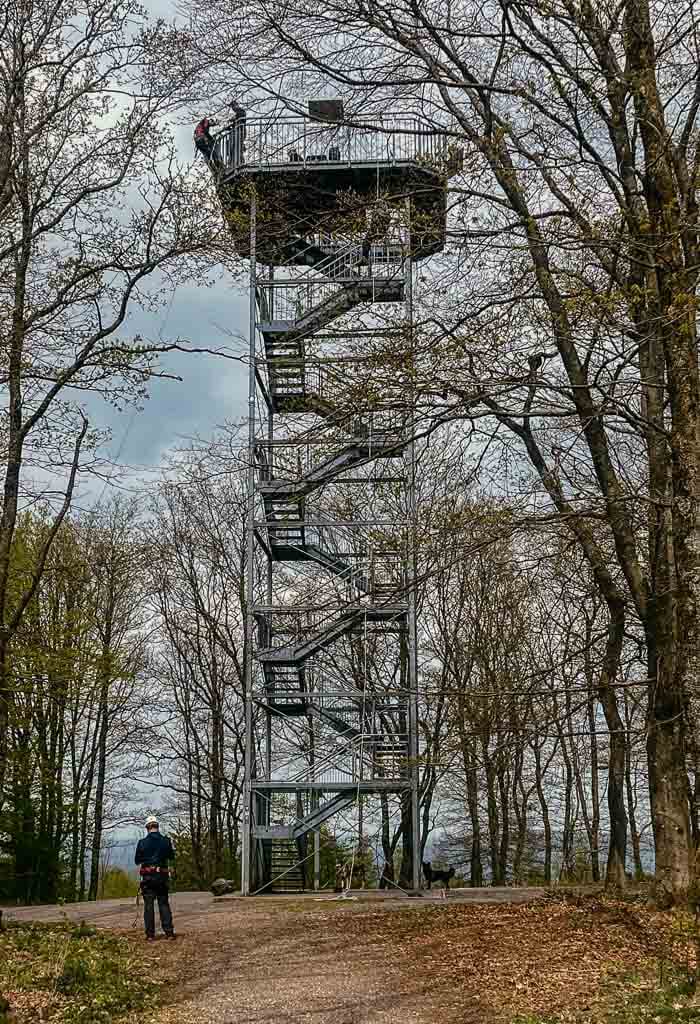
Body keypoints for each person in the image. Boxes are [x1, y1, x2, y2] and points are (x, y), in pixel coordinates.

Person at [135, 815, 176, 940]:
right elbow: (171, 856)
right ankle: (168, 933)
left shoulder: (142, 843)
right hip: (162, 876)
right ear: (157, 826)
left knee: (148, 906)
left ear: (147, 827)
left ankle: (150, 935)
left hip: (148, 878)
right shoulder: (166, 841)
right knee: (163, 903)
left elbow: (137, 860)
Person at [229, 100, 246, 165]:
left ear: (236, 105)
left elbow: (241, 117)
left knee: (239, 147)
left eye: (233, 106)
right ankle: (236, 162)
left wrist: (234, 118)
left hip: (241, 131)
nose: (233, 108)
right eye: (232, 107)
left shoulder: (241, 111)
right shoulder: (238, 113)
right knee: (235, 147)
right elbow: (235, 122)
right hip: (237, 132)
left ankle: (241, 162)